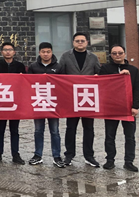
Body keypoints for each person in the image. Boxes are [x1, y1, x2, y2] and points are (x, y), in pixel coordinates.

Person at [60, 32, 102, 167]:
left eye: (82, 41)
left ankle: (89, 156)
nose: (80, 43)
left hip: (87, 98)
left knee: (89, 128)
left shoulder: (93, 57)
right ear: (73, 42)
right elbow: (60, 74)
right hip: (71, 97)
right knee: (70, 128)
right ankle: (69, 155)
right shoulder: (66, 56)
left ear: (87, 42)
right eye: (77, 41)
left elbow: (99, 73)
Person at [99, 45, 139, 172]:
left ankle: (129, 161)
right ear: (111, 55)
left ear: (124, 54)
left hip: (128, 108)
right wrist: (118, 75)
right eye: (114, 53)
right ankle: (110, 160)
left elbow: (137, 89)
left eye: (120, 53)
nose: (117, 55)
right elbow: (102, 85)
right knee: (110, 135)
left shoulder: (134, 70)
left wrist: (136, 106)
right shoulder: (105, 69)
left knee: (130, 136)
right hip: (111, 107)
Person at [27, 42, 65, 168]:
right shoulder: (33, 66)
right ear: (39, 53)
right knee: (38, 130)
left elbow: (64, 84)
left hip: (53, 103)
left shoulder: (58, 67)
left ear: (51, 52)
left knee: (55, 131)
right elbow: (27, 83)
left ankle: (57, 156)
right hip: (38, 103)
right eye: (43, 52)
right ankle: (38, 155)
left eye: (48, 52)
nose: (46, 54)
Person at [0, 42, 26, 165]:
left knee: (14, 130)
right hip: (1, 101)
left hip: (15, 102)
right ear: (2, 52)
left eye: (10, 49)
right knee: (0, 129)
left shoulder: (20, 66)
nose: (8, 52)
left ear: (14, 52)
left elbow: (25, 84)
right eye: (5, 50)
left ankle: (15, 154)